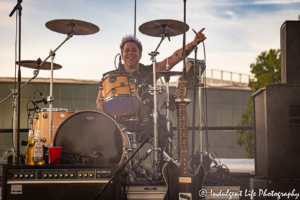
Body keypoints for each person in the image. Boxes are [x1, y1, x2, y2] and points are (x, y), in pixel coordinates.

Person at [96, 28, 206, 111]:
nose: (130, 53)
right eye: (127, 50)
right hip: (120, 123)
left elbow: (174, 57)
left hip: (148, 124)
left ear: (140, 55)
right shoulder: (112, 78)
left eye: (134, 50)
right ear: (122, 54)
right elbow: (99, 104)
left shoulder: (150, 71)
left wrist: (194, 43)